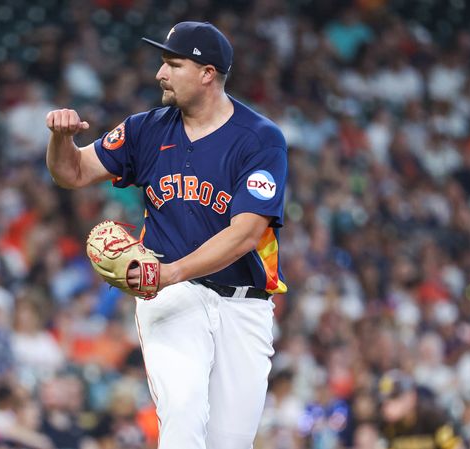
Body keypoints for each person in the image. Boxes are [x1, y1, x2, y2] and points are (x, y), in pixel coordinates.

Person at [45, 21, 288, 449]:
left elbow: (247, 234)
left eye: (172, 64)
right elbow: (73, 171)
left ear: (207, 73)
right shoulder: (146, 129)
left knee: (230, 442)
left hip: (243, 305)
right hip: (172, 297)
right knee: (183, 414)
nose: (160, 74)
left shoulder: (260, 139)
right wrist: (60, 140)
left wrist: (170, 272)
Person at [377, 370, 464, 449]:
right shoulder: (385, 425)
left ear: (411, 397)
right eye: (384, 400)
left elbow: (455, 446)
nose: (387, 405)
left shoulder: (433, 417)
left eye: (394, 398)